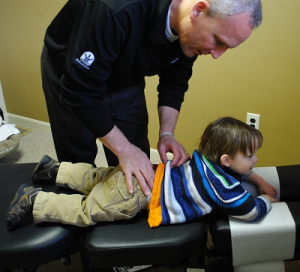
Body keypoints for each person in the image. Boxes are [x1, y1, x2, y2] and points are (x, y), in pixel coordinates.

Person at [41, 0, 262, 197]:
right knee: (79, 160)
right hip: (72, 76)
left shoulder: (190, 38)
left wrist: (167, 133)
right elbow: (80, 92)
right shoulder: (114, 8)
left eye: (226, 47)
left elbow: (174, 83)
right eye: (218, 41)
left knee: (138, 160)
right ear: (198, 10)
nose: (216, 54)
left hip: (127, 77)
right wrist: (124, 149)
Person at [6, 117, 278, 230]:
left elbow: (236, 174)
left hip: (145, 171)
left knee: (97, 177)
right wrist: (266, 201)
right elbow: (250, 211)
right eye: (251, 156)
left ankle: (54, 169)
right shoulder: (223, 189)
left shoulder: (208, 161)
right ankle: (35, 200)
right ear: (227, 160)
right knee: (87, 210)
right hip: (137, 194)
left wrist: (258, 178)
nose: (256, 160)